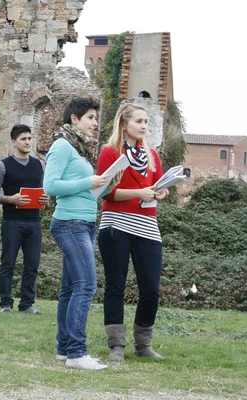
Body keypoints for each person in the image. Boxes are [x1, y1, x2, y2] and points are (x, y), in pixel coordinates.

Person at [43, 97, 119, 371]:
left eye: (96, 118)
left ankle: (65, 349)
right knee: (86, 286)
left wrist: (107, 184)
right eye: (90, 117)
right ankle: (76, 352)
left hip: (84, 222)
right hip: (70, 223)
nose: (95, 122)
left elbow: (87, 190)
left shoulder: (81, 150)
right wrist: (89, 181)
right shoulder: (62, 146)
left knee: (70, 289)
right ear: (74, 119)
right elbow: (50, 186)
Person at [97, 103, 167, 362]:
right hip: (116, 224)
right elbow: (106, 192)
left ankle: (143, 344)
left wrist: (162, 191)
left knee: (151, 288)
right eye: (139, 121)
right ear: (124, 123)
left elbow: (159, 185)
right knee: (115, 285)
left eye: (146, 122)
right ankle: (116, 345)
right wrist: (138, 193)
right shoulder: (109, 152)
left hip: (148, 225)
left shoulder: (151, 155)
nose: (144, 126)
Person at [0, 124, 50, 314]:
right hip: (12, 222)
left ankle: (27, 304)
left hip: (35, 221)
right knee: (8, 263)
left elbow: (45, 191)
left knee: (32, 265)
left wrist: (45, 198)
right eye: (23, 139)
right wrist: (10, 199)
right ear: (14, 141)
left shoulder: (40, 164)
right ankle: (5, 304)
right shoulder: (3, 165)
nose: (27, 142)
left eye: (30, 138)